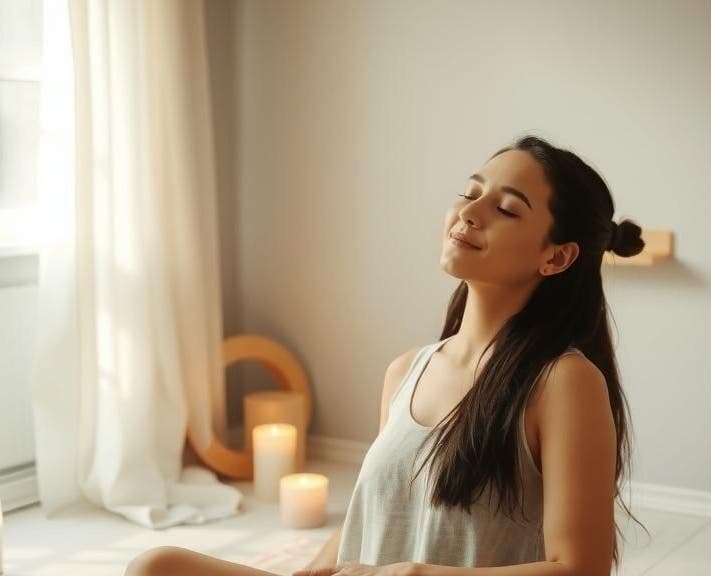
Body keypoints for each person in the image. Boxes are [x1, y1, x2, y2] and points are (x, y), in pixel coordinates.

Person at [124, 134, 648, 576]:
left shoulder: (563, 382)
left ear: (555, 256)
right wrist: (315, 570)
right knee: (158, 565)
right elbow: (369, 521)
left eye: (506, 208)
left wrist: (420, 575)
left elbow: (580, 568)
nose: (468, 212)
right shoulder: (405, 372)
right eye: (469, 193)